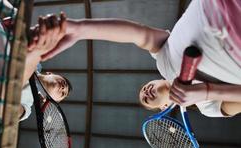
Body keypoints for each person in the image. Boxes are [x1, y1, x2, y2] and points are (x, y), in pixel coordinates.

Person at [40, 0, 241, 117]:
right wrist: (207, 92)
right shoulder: (209, 107)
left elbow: (141, 36)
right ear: (164, 107)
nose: (145, 91)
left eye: (143, 90)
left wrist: (81, 29)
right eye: (146, 99)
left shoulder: (163, 63)